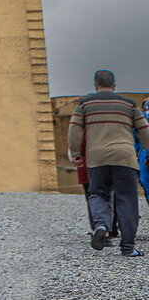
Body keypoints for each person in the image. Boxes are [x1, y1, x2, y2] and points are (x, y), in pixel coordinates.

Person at [68, 69, 149, 256]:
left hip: (97, 157)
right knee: (127, 200)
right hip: (125, 157)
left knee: (98, 194)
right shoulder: (128, 104)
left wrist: (75, 153)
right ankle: (128, 248)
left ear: (95, 85)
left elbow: (74, 130)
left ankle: (101, 225)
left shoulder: (84, 103)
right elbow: (144, 130)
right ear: (114, 86)